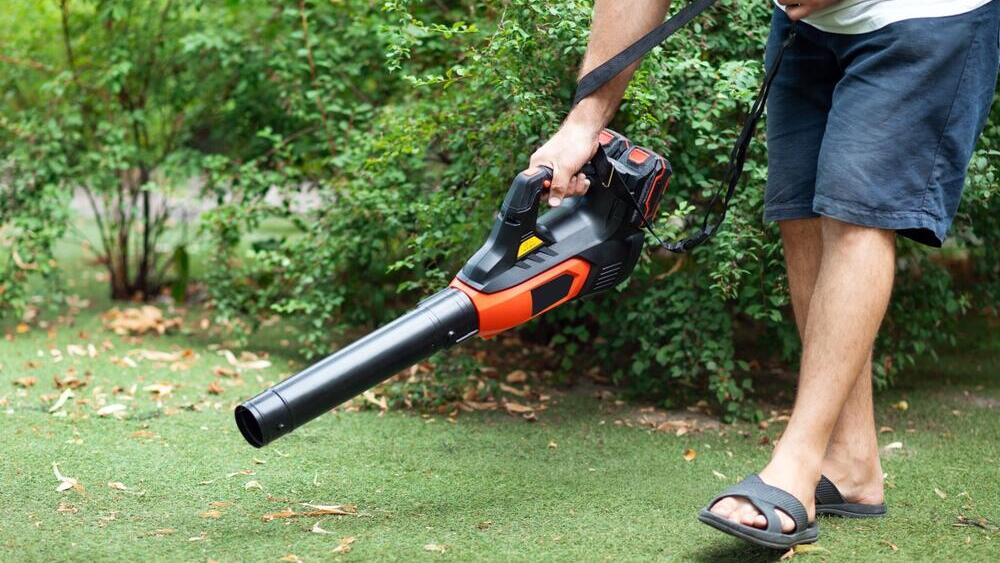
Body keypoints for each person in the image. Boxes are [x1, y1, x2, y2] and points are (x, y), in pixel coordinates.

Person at [528, 0, 999, 549]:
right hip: (807, 24)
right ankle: (851, 463)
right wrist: (583, 122)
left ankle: (797, 464)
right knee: (801, 213)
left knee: (858, 215)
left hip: (920, 18)